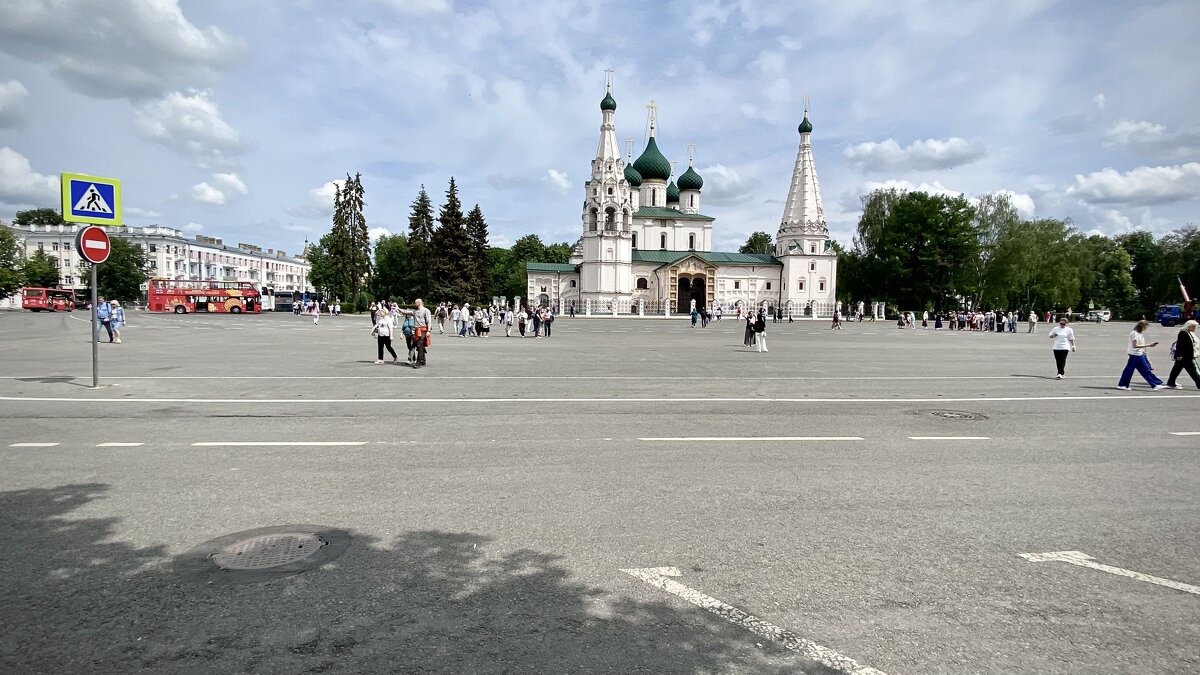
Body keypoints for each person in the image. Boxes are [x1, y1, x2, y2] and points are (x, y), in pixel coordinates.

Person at [1116, 319, 1166, 390]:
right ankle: (1155, 384)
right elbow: (1135, 345)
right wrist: (1149, 345)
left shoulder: (1139, 334)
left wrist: (1144, 351)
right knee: (1140, 370)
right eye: (1146, 327)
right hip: (1135, 355)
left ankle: (1155, 384)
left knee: (1141, 370)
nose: (1146, 328)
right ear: (1142, 326)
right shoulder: (1134, 334)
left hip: (1138, 354)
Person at [1166, 320, 1200, 389]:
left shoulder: (1189, 332)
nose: (1195, 328)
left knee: (1176, 370)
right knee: (1193, 371)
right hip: (1185, 356)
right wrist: (1179, 355)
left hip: (1186, 356)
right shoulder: (1183, 333)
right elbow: (1180, 345)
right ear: (1189, 326)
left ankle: (1171, 382)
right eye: (1194, 326)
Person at [411, 299, 432, 367]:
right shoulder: (415, 311)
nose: (414, 304)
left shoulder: (426, 310)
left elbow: (429, 321)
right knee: (419, 345)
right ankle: (423, 360)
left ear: (419, 303)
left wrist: (428, 331)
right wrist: (398, 309)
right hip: (417, 330)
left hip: (423, 330)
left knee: (419, 345)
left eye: (415, 303)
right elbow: (406, 312)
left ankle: (418, 362)